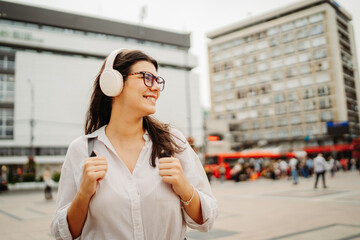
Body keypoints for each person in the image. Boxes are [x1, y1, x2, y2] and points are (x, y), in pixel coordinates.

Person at [51, 49, 218, 240]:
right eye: (147, 77)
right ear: (113, 83)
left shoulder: (172, 142)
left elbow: (207, 219)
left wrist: (184, 187)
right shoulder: (82, 150)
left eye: (158, 80)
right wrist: (83, 194)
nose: (155, 87)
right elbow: (62, 234)